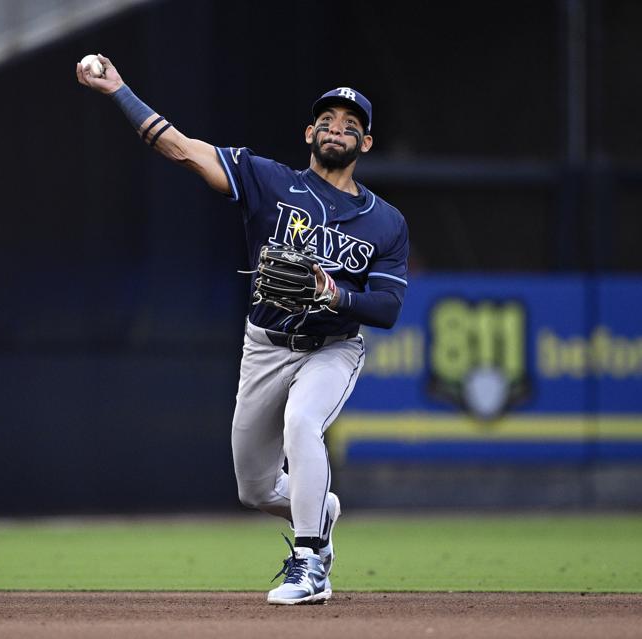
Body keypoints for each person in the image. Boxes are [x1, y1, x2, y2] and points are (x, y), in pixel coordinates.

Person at [76, 55, 409, 604]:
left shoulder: (386, 221)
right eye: (327, 120)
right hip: (265, 346)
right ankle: (319, 509)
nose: (337, 128)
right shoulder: (266, 178)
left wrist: (335, 294)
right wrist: (118, 90)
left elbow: (388, 308)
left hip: (332, 348)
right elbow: (181, 148)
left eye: (351, 124)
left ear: (366, 143)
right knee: (254, 488)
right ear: (309, 133)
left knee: (303, 422)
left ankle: (310, 564)